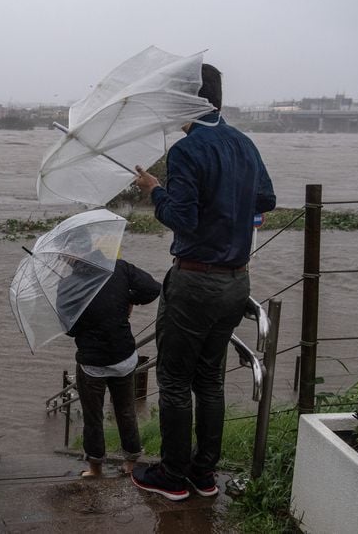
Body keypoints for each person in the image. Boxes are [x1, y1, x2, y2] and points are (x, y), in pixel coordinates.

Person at [130, 63, 276, 500]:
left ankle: (173, 477)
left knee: (174, 380)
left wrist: (155, 191)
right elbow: (265, 199)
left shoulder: (187, 150)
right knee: (209, 380)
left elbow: (184, 221)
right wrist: (231, 207)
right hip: (237, 282)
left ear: (188, 100)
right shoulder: (244, 143)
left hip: (194, 283)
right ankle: (203, 475)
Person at [60, 253, 160, 478]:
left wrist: (79, 307)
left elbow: (70, 329)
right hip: (124, 356)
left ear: (70, 257)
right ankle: (132, 463)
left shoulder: (68, 285)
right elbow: (153, 289)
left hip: (92, 363)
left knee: (92, 416)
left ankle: (95, 468)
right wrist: (129, 299)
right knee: (126, 411)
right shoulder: (119, 267)